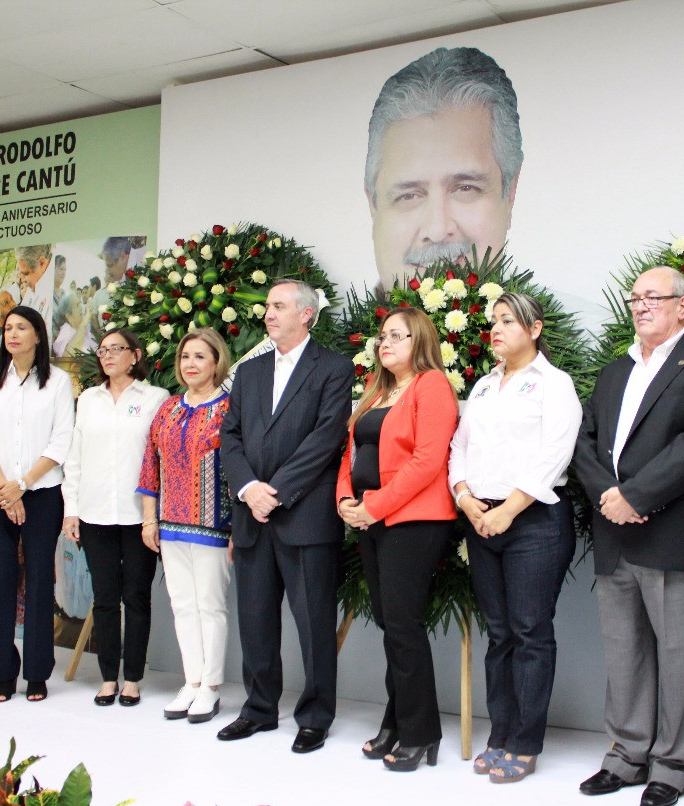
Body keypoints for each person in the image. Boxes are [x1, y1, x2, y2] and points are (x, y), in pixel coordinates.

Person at [571, 267, 684, 806]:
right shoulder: (614, 370)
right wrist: (609, 497)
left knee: (680, 656)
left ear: (683, 306)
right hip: (615, 531)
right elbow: (586, 442)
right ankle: (625, 756)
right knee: (624, 655)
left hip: (673, 530)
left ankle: (674, 764)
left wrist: (637, 497)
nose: (641, 306)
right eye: (635, 298)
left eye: (654, 297)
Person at [449, 292, 582, 783]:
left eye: (508, 320)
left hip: (533, 522)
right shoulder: (484, 386)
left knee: (529, 632)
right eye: (493, 321)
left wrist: (507, 509)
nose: (497, 328)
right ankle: (499, 732)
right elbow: (458, 447)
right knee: (499, 633)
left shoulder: (554, 384)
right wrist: (464, 497)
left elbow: (554, 455)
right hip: (481, 519)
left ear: (535, 328)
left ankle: (525, 742)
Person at [218, 280, 354, 753]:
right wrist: (249, 488)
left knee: (314, 624)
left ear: (307, 315)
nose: (269, 314)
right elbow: (229, 438)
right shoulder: (249, 372)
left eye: (278, 306)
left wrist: (274, 492)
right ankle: (258, 710)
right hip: (252, 515)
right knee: (255, 620)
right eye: (267, 306)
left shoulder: (334, 368)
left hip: (305, 517)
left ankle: (315, 717)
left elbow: (326, 438)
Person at [335, 307, 458, 771]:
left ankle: (421, 731)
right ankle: (397, 718)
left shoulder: (432, 387)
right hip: (371, 518)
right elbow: (351, 452)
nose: (384, 344)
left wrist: (375, 505)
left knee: (403, 624)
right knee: (390, 622)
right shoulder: (377, 391)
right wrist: (346, 499)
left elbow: (428, 461)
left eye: (396, 336)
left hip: (413, 520)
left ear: (420, 340)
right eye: (381, 337)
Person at [63, 328, 168, 707]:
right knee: (105, 598)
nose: (107, 356)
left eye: (116, 349)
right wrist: (70, 509)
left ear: (135, 355)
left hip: (140, 515)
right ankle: (108, 676)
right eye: (103, 350)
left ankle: (133, 678)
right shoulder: (88, 400)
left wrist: (152, 515)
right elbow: (74, 457)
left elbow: (159, 458)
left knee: (137, 597)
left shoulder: (157, 398)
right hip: (93, 513)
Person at [0, 306, 73, 703]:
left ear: (38, 336)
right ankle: (2, 673)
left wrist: (23, 486)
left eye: (22, 328)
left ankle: (36, 673)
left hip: (43, 492)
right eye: (8, 328)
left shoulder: (58, 381)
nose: (13, 334)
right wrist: (5, 490)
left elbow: (61, 440)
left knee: (37, 580)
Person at [365, 46, 521, 287]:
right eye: (409, 195)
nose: (437, 231)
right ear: (373, 207)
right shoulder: (319, 325)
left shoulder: (589, 324)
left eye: (465, 188)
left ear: (509, 194)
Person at [138, 329, 233, 723]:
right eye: (185, 357)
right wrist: (149, 519)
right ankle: (191, 681)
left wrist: (237, 529)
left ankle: (211, 686)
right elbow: (150, 464)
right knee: (182, 606)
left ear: (216, 362)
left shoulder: (230, 408)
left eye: (199, 357)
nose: (190, 364)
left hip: (215, 525)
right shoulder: (168, 408)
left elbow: (239, 469)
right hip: (170, 523)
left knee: (210, 606)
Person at [14, 245, 54, 323]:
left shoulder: (55, 293)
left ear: (41, 263)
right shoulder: (33, 287)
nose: (22, 280)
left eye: (26, 274)